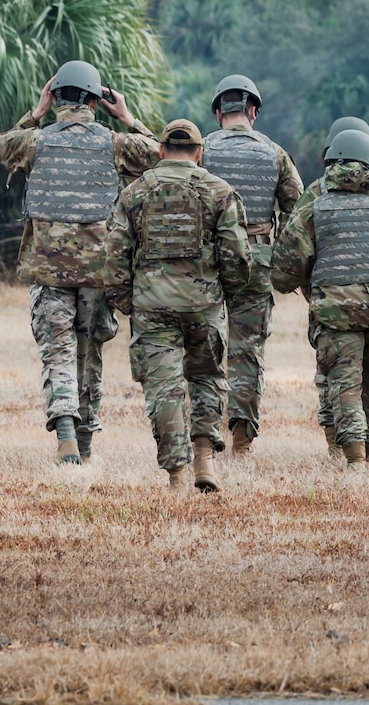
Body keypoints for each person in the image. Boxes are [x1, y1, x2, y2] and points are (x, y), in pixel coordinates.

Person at [0, 60, 158, 464]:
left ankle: (64, 432)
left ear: (57, 96)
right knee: (90, 350)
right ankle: (84, 441)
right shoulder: (115, 143)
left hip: (48, 267)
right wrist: (129, 119)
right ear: (96, 101)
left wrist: (36, 112)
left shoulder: (35, 142)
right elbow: (165, 156)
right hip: (98, 269)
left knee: (57, 350)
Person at [105, 119, 251, 491]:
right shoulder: (220, 191)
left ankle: (177, 477)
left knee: (164, 388)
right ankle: (205, 461)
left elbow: (116, 255)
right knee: (206, 378)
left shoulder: (135, 193)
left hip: (152, 306)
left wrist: (129, 303)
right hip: (203, 304)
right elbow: (237, 256)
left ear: (160, 151)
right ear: (199, 153)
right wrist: (224, 294)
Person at [273, 128, 369, 467]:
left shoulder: (315, 204)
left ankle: (355, 458)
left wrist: (307, 283)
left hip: (334, 311)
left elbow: (286, 267)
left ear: (330, 161)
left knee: (344, 383)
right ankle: (368, 449)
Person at [201, 75, 303, 453]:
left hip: (207, 259)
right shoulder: (275, 154)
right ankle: (242, 436)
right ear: (253, 111)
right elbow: (297, 213)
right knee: (247, 349)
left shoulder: (202, 150)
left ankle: (205, 433)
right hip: (256, 259)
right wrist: (288, 269)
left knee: (204, 347)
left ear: (217, 112)